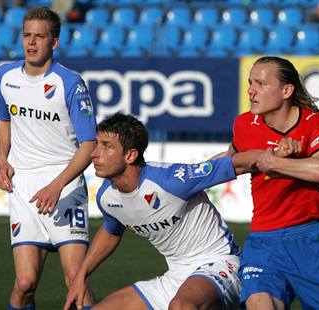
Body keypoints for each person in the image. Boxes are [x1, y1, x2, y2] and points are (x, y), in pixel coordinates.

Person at [64, 113, 260, 310]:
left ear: (130, 155)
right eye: (97, 144)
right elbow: (111, 230)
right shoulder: (107, 198)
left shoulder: (171, 180)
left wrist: (273, 156)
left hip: (220, 263)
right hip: (176, 276)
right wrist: (81, 276)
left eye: (106, 146)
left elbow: (237, 163)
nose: (94, 153)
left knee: (182, 306)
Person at [224, 56, 319, 309]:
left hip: (311, 238)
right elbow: (225, 163)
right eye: (250, 83)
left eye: (261, 84)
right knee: (260, 303)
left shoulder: (313, 120)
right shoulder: (244, 124)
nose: (251, 90)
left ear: (287, 90)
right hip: (263, 240)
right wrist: (176, 178)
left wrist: (276, 163)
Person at [0, 7, 96, 310]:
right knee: (25, 283)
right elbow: (3, 119)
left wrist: (56, 186)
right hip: (23, 186)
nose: (31, 42)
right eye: (27, 35)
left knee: (75, 278)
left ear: (54, 42)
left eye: (40, 36)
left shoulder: (70, 83)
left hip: (64, 186)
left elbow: (89, 145)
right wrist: (1, 159)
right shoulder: (5, 75)